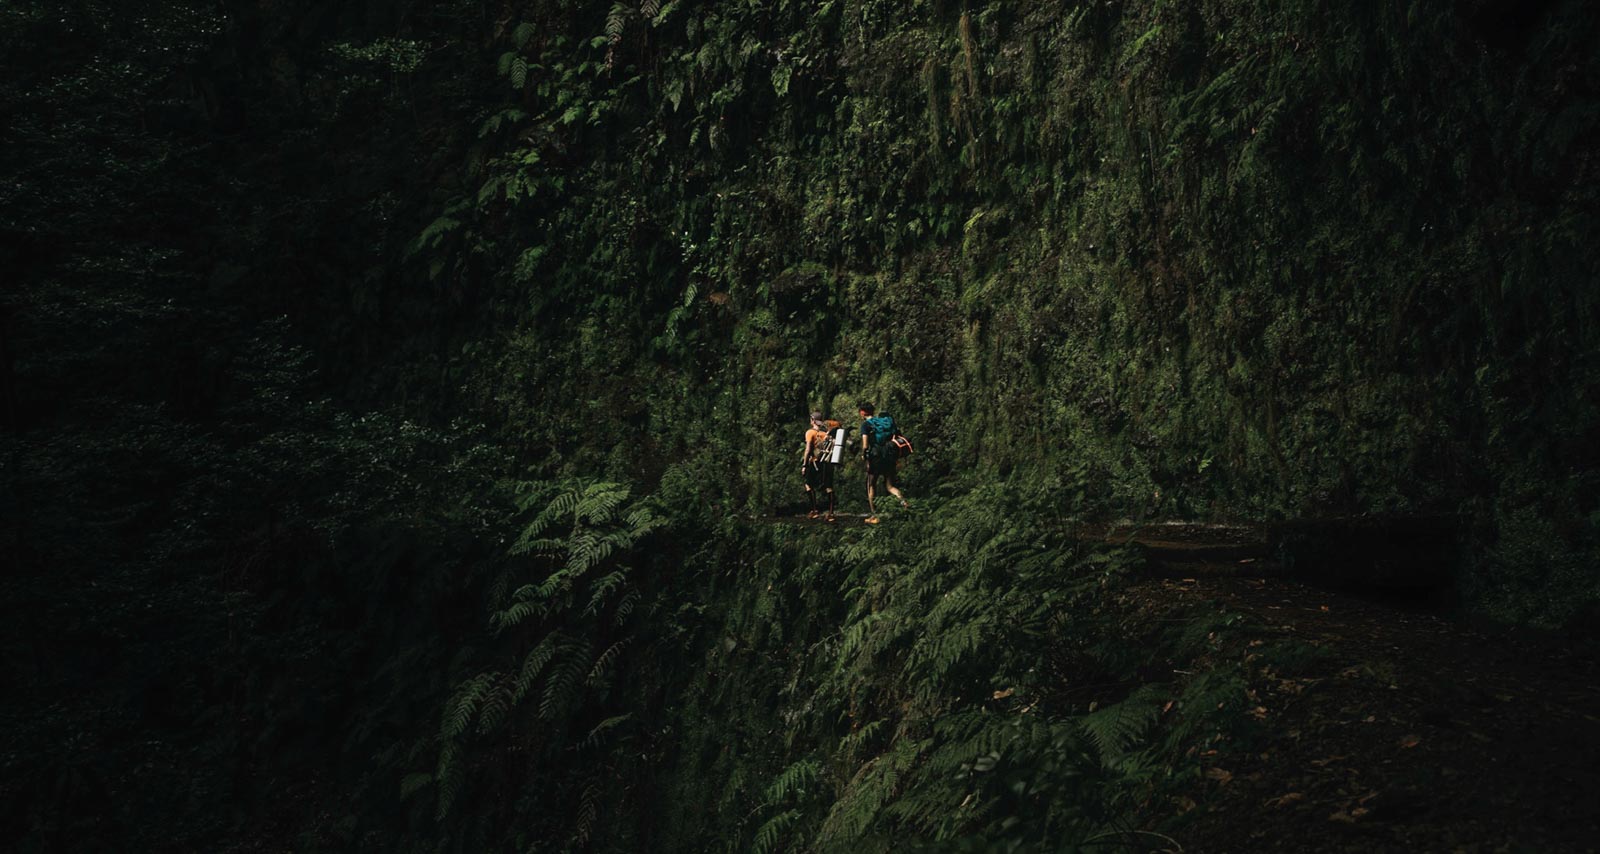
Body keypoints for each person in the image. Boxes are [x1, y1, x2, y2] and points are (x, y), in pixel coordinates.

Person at [857, 403, 909, 524]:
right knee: (890, 486)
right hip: (889, 455)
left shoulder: (866, 425)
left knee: (871, 485)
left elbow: (865, 445)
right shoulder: (884, 422)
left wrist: (864, 455)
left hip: (876, 456)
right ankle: (903, 502)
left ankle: (875, 516)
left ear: (863, 412)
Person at [800, 411, 838, 522]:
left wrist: (804, 464)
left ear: (812, 420)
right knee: (828, 486)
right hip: (827, 462)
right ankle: (831, 514)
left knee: (808, 484)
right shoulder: (826, 433)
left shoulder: (810, 432)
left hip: (815, 462)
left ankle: (814, 511)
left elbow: (808, 450)